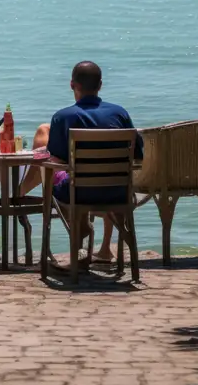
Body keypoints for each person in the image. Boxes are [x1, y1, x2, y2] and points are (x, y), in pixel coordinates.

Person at [20, 61, 143, 263]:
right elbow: (138, 155)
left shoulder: (63, 117)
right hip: (118, 191)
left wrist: (42, 156)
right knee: (92, 177)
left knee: (54, 173)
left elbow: (57, 158)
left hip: (78, 193)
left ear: (72, 85)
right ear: (100, 85)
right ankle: (95, 240)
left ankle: (78, 231)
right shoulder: (120, 114)